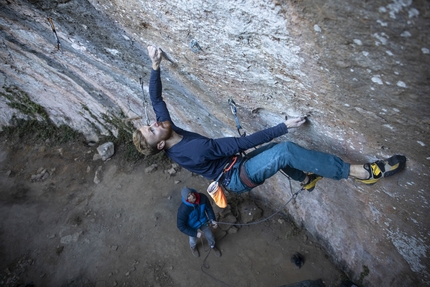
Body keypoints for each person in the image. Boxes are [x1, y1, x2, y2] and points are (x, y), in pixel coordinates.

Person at [133, 45, 406, 195]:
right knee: (283, 150)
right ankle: (360, 174)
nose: (155, 124)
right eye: (152, 130)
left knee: (276, 154)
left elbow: (157, 100)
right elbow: (244, 142)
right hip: (236, 177)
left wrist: (155, 65)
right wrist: (283, 126)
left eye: (150, 124)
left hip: (235, 166)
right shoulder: (192, 150)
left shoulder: (167, 130)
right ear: (159, 145)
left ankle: (306, 179)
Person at [177, 187, 222, 257]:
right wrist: (195, 233)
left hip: (204, 221)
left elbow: (209, 209)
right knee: (192, 240)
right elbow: (181, 226)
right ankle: (193, 248)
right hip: (192, 227)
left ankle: (212, 246)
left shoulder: (203, 198)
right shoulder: (183, 210)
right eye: (188, 196)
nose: (192, 196)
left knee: (210, 235)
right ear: (187, 199)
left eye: (191, 193)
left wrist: (212, 220)